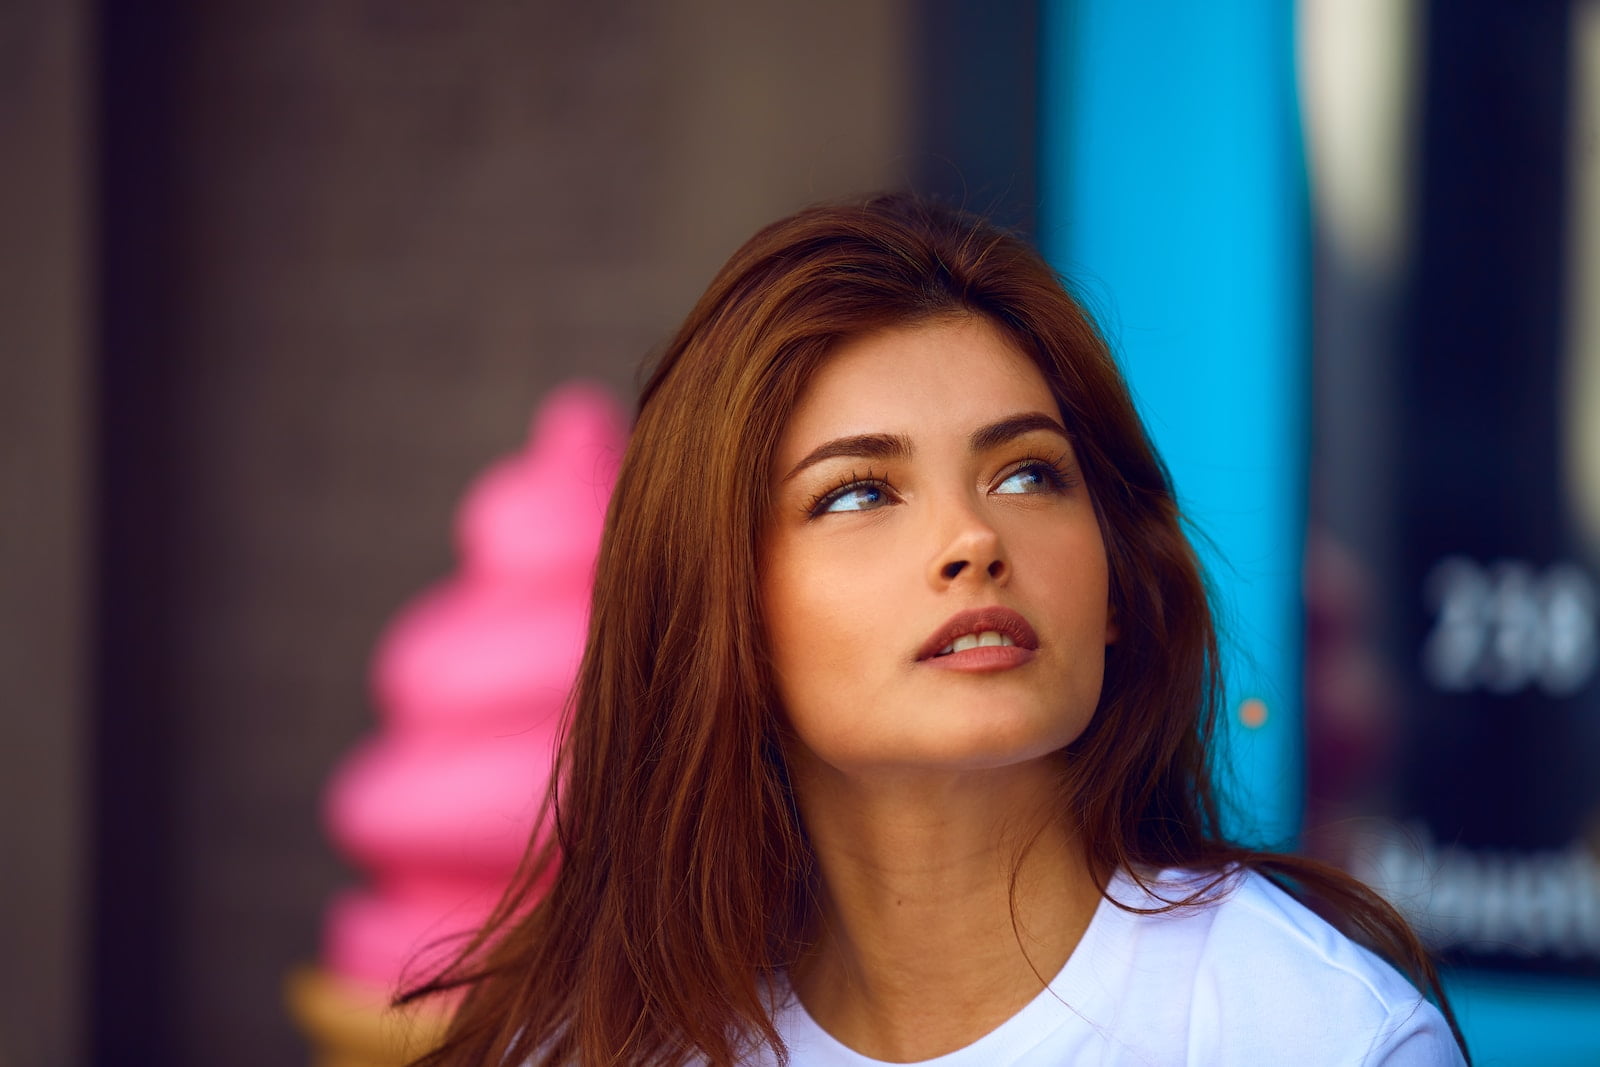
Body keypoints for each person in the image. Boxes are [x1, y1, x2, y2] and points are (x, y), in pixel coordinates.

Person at [403, 194, 1468, 1065]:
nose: (972, 536)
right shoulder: (595, 1044)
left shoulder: (1318, 1035)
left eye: (1028, 473)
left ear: (1112, 590)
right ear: (723, 607)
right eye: (860, 493)